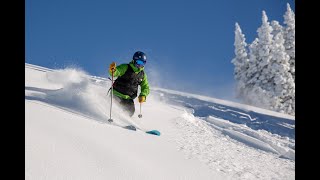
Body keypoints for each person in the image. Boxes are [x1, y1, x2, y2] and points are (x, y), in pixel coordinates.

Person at [108, 51, 150, 117]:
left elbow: (145, 87)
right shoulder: (126, 67)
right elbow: (117, 72)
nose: (139, 65)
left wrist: (143, 95)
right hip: (117, 93)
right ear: (134, 60)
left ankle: (122, 123)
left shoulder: (142, 75)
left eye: (142, 63)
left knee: (130, 112)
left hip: (128, 98)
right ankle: (111, 118)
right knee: (116, 107)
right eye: (138, 62)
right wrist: (113, 70)